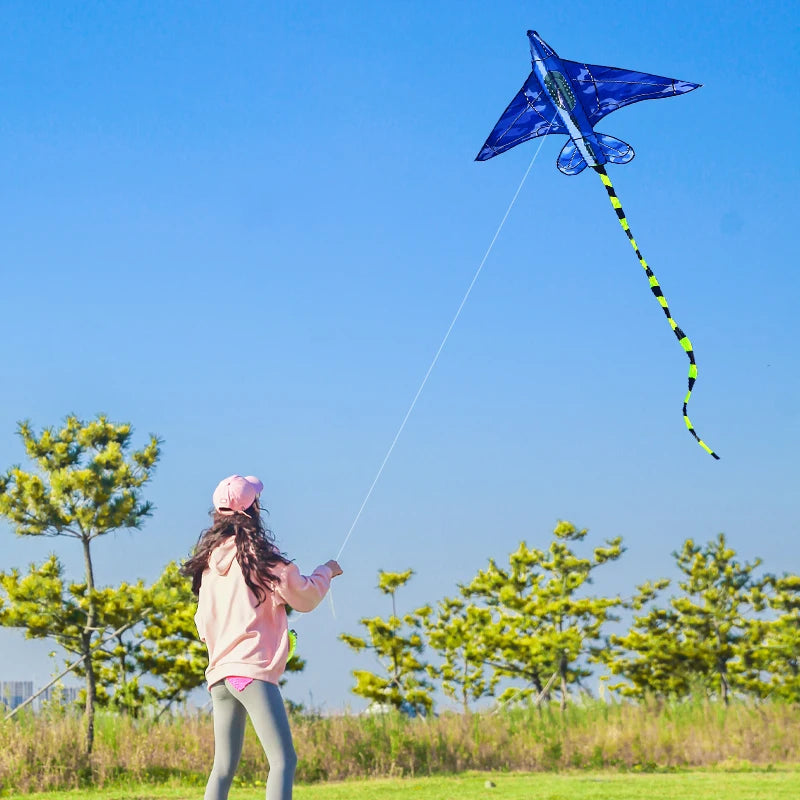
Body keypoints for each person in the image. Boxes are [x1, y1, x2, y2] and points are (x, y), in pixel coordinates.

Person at [182, 474, 342, 800]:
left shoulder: (208, 566)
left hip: (220, 677)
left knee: (223, 767)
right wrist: (326, 571)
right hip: (250, 673)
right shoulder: (261, 559)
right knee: (283, 760)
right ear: (253, 509)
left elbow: (202, 624)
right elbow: (305, 596)